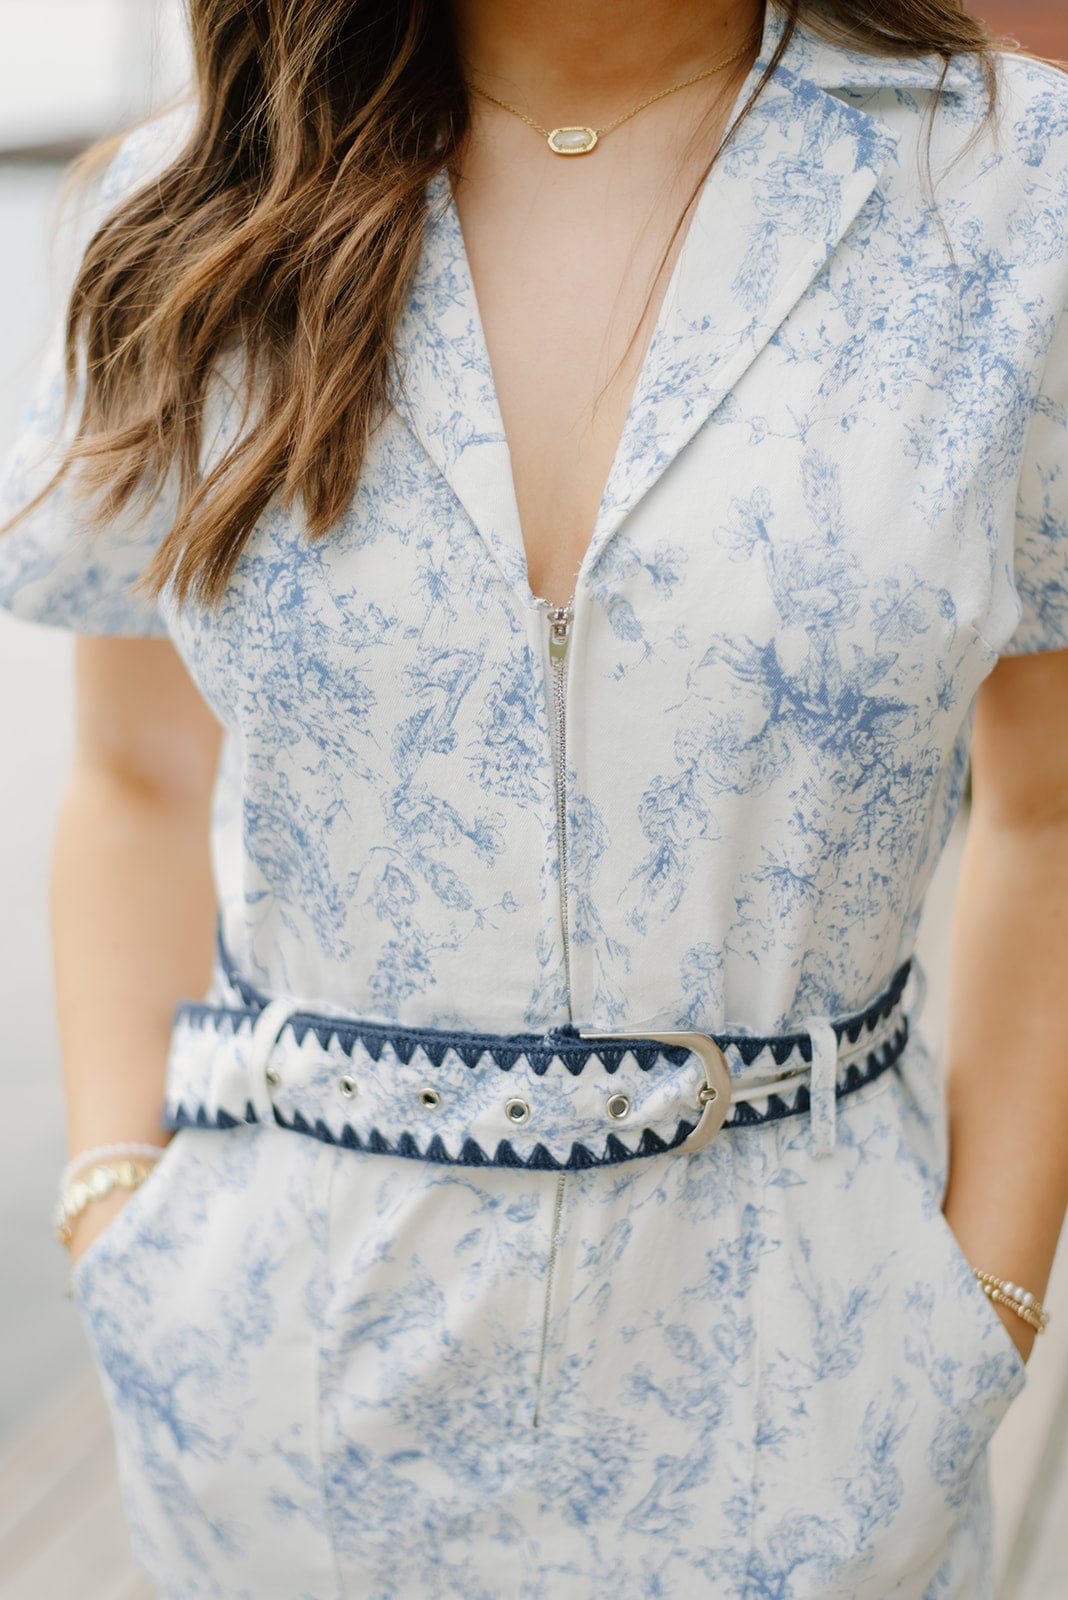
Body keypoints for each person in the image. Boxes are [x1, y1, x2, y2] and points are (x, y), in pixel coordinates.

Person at [1, 0, 1066, 1595]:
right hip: (280, 1404)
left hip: (811, 1409)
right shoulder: (188, 211)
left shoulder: (1013, 202)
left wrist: (979, 1305)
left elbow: (1049, 811)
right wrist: (118, 1211)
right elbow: (136, 775)